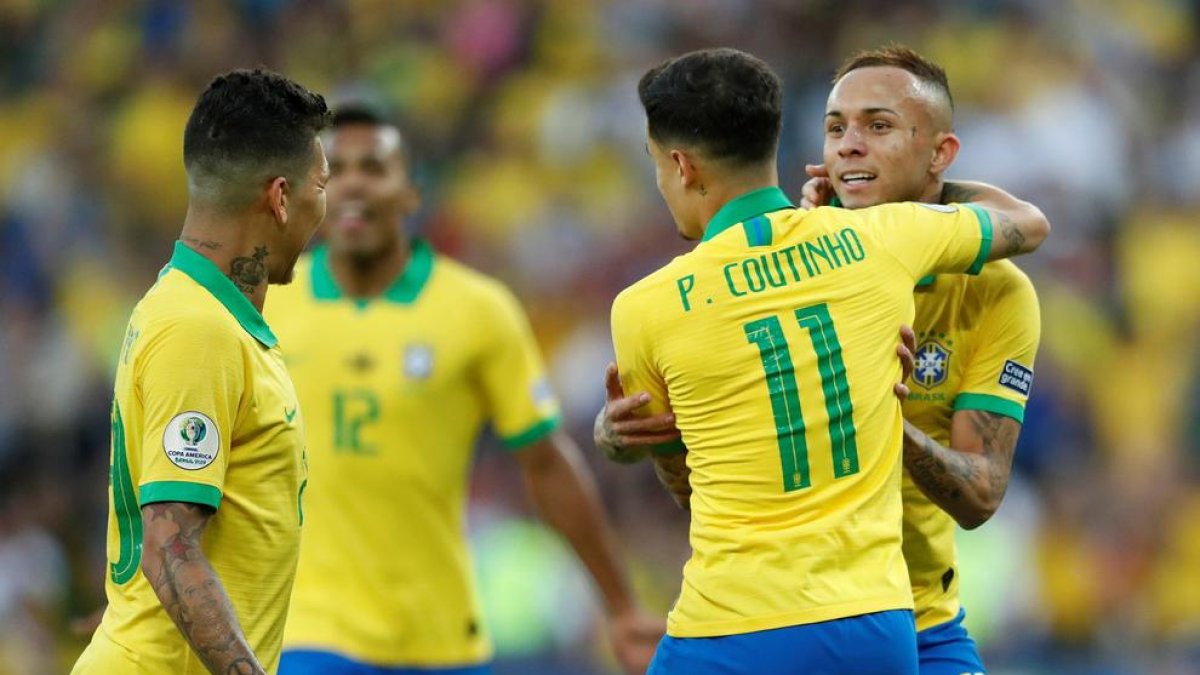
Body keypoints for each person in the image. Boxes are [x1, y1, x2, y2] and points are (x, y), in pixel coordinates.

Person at [606, 47, 1049, 675]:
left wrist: (879, 418)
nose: (849, 146)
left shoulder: (994, 292)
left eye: (878, 126)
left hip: (921, 617)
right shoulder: (807, 256)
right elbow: (696, 478)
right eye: (835, 127)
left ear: (940, 155)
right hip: (844, 625)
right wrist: (626, 432)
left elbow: (980, 496)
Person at [265, 104, 662, 675]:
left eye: (373, 168)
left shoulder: (478, 312)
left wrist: (621, 606)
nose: (351, 183)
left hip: (443, 640)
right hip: (305, 635)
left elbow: (546, 463)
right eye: (334, 169)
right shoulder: (267, 308)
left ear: (410, 192)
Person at [71, 69, 332, 675]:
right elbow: (168, 543)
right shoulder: (199, 330)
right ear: (280, 196)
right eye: (321, 184)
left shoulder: (196, 311)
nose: (327, 204)